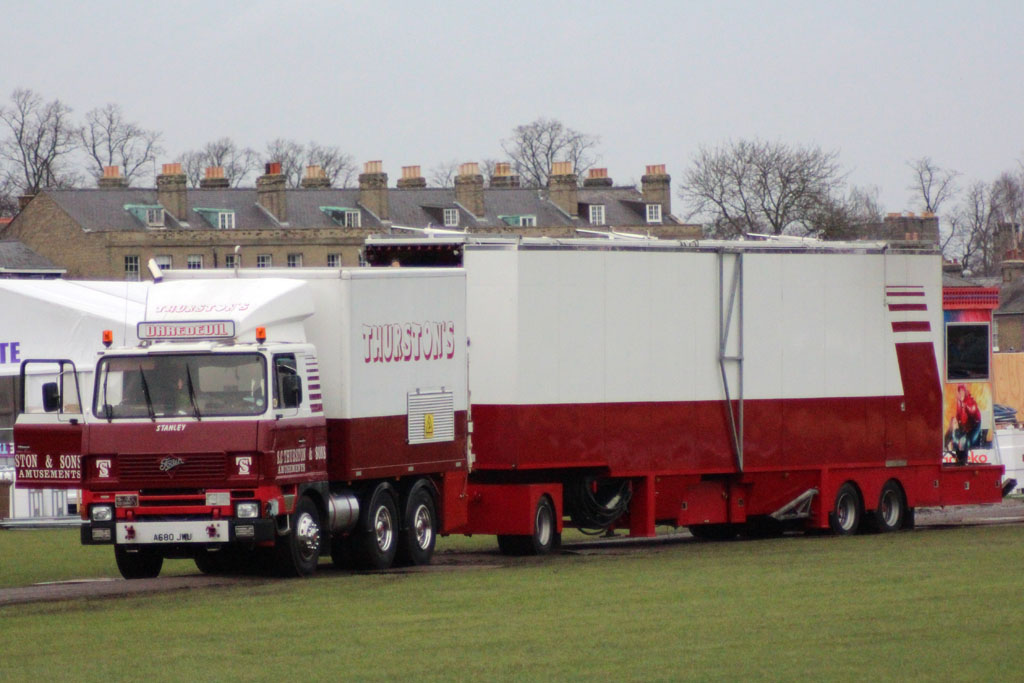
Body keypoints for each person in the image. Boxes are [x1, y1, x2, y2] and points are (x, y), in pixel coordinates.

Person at [951, 384, 982, 465]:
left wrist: (964, 403)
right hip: (965, 427)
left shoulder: (969, 401)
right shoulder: (959, 402)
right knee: (958, 439)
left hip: (974, 426)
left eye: (962, 392)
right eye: (959, 392)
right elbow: (958, 415)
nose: (960, 394)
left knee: (964, 440)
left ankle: (963, 460)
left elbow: (973, 411)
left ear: (964, 392)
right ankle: (960, 459)